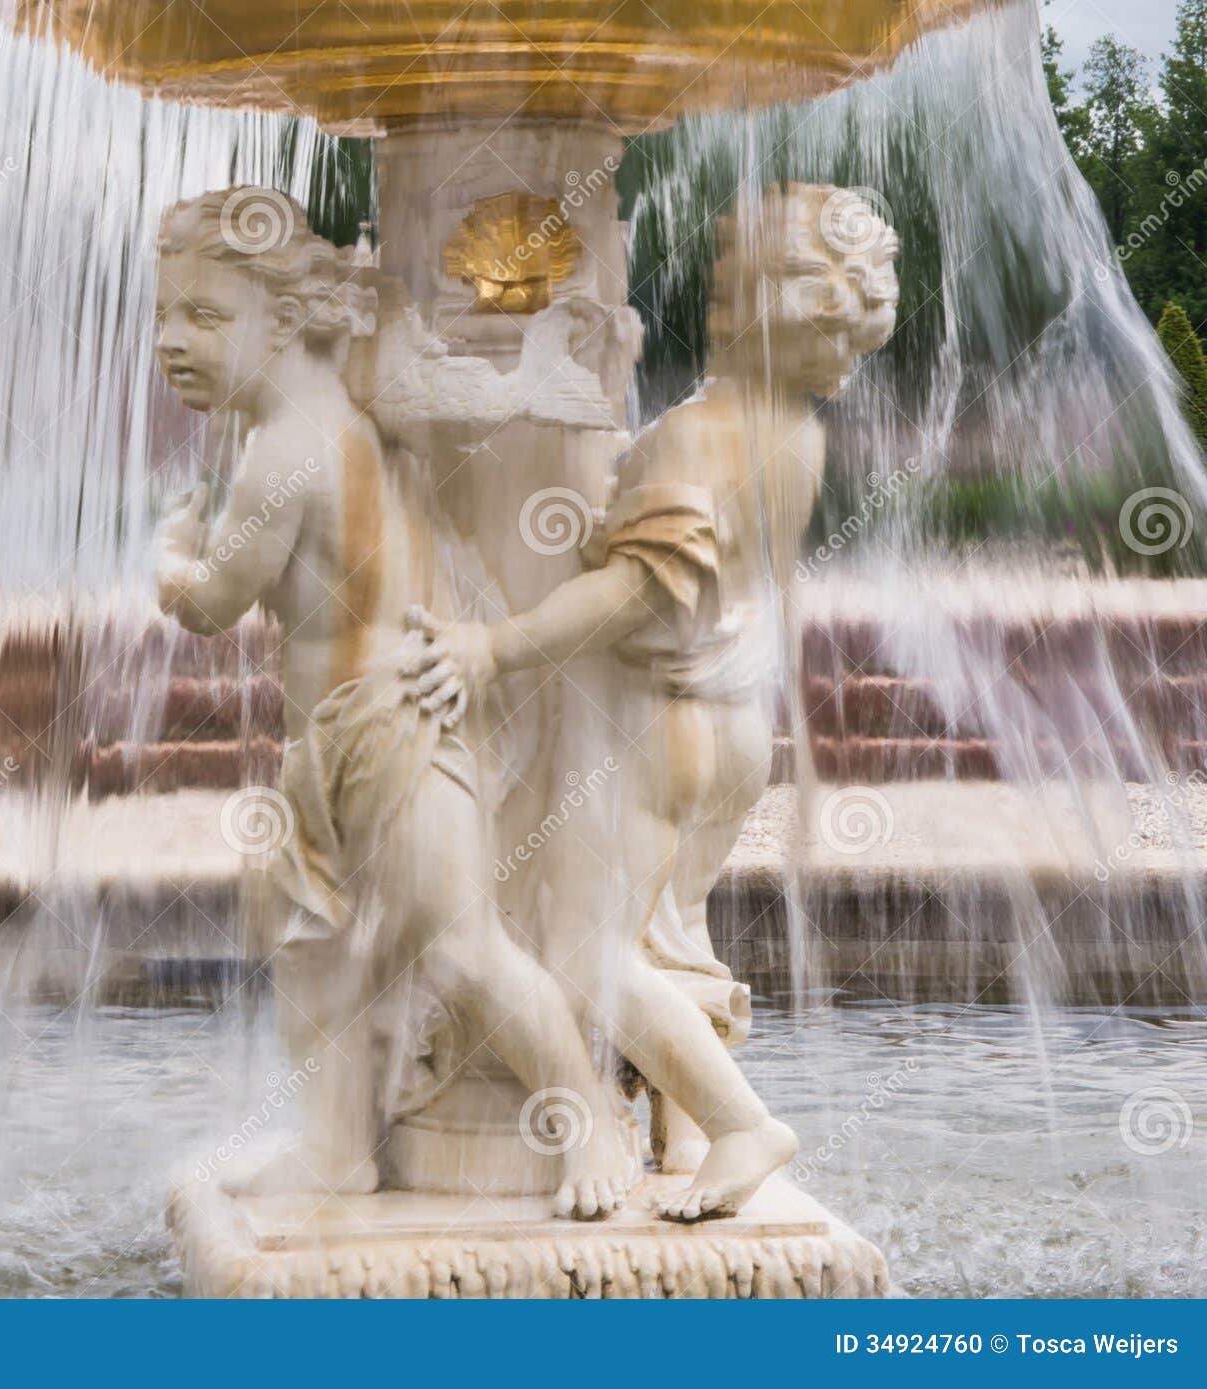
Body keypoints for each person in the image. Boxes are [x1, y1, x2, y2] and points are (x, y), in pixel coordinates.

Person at [404, 184, 900, 1217]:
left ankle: (738, 1125)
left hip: (646, 725)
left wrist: (491, 646)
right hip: (730, 725)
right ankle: (679, 1135)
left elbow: (635, 591)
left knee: (580, 956)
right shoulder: (795, 433)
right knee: (665, 930)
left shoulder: (696, 436)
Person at [153, 188, 628, 1219]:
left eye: (201, 316)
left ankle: (586, 1125)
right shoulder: (346, 420)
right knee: (314, 950)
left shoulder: (283, 449)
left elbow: (210, 603)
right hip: (342, 742)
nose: (168, 342)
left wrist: (169, 550)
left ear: (282, 324)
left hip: (389, 730)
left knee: (459, 946)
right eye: (164, 315)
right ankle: (333, 1151)